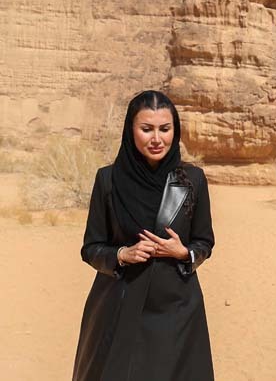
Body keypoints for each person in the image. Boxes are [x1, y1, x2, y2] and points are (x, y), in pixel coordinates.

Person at [72, 90, 215, 381]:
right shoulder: (108, 180)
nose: (157, 139)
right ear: (130, 130)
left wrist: (183, 253)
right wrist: (121, 255)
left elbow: (204, 241)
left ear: (175, 131)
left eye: (165, 129)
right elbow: (91, 247)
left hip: (176, 308)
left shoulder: (192, 180)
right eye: (146, 129)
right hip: (119, 302)